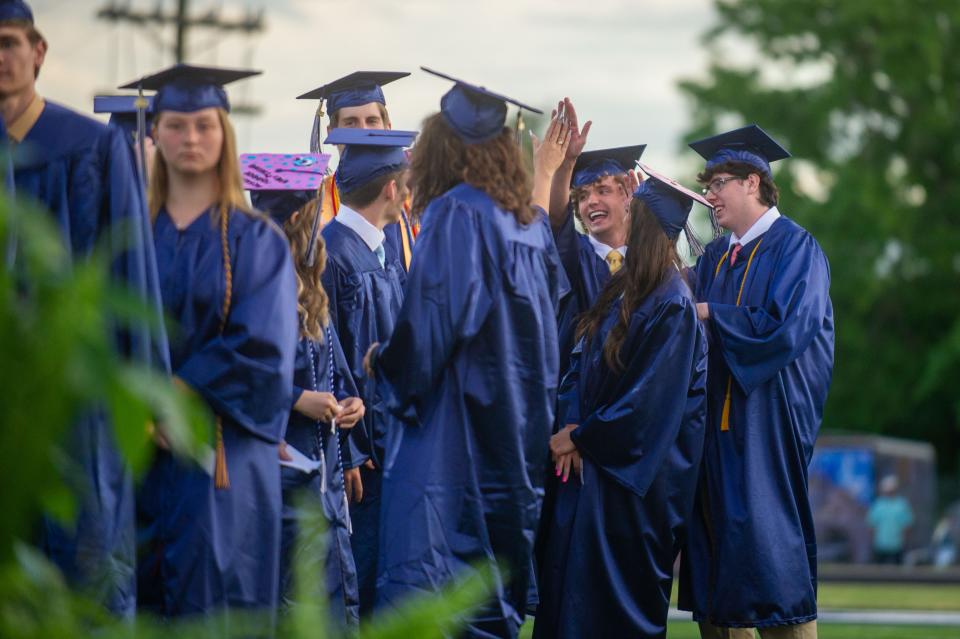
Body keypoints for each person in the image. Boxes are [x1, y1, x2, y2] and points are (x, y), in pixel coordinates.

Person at [363, 67, 569, 638]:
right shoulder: (528, 228)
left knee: (432, 599)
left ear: (444, 152)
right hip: (515, 450)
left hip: (453, 445)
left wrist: (384, 360)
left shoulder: (457, 213)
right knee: (487, 606)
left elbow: (429, 330)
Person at [1, 0, 167, 616]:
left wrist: (146, 387)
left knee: (89, 566)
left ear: (38, 52)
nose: (1, 57)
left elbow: (133, 272)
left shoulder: (92, 147)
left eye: (9, 42)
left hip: (80, 400)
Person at [128, 64, 298, 623]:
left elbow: (263, 350)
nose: (191, 139)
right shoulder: (128, 238)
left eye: (204, 124)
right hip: (135, 461)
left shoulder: (258, 241)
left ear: (225, 133)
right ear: (154, 133)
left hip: (219, 467)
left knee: (216, 615)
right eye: (176, 125)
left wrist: (170, 396)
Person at [534, 171, 709, 639]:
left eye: (635, 215)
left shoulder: (672, 303)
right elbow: (579, 361)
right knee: (571, 606)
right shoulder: (627, 291)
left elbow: (648, 408)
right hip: (593, 480)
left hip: (632, 493)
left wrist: (581, 436)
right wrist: (570, 423)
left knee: (612, 616)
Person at [678, 124, 835, 639]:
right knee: (720, 567)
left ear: (752, 182)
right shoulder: (717, 256)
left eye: (718, 182)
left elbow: (785, 330)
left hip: (765, 426)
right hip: (714, 436)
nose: (709, 194)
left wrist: (708, 313)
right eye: (706, 184)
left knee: (770, 559)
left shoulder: (797, 248)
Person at [247, 186, 365, 627]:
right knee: (292, 602)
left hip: (324, 478)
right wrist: (297, 400)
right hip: (282, 480)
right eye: (315, 215)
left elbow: (334, 376)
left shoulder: (312, 293)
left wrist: (352, 408)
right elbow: (232, 372)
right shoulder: (255, 288)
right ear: (300, 221)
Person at [318, 126, 417, 616]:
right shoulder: (331, 253)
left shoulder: (385, 253)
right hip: (360, 459)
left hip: (391, 447)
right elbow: (325, 354)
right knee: (359, 588)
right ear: (392, 188)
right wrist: (350, 451)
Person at [297, 71, 417, 270]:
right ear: (331, 133)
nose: (363, 131)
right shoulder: (314, 205)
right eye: (350, 122)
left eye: (372, 121)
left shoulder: (414, 201)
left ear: (388, 128)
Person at [867, 475, 914, 564]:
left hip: (897, 545)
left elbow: (907, 526)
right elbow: (872, 525)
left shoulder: (901, 505)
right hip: (880, 545)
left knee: (897, 572)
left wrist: (905, 541)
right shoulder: (878, 504)